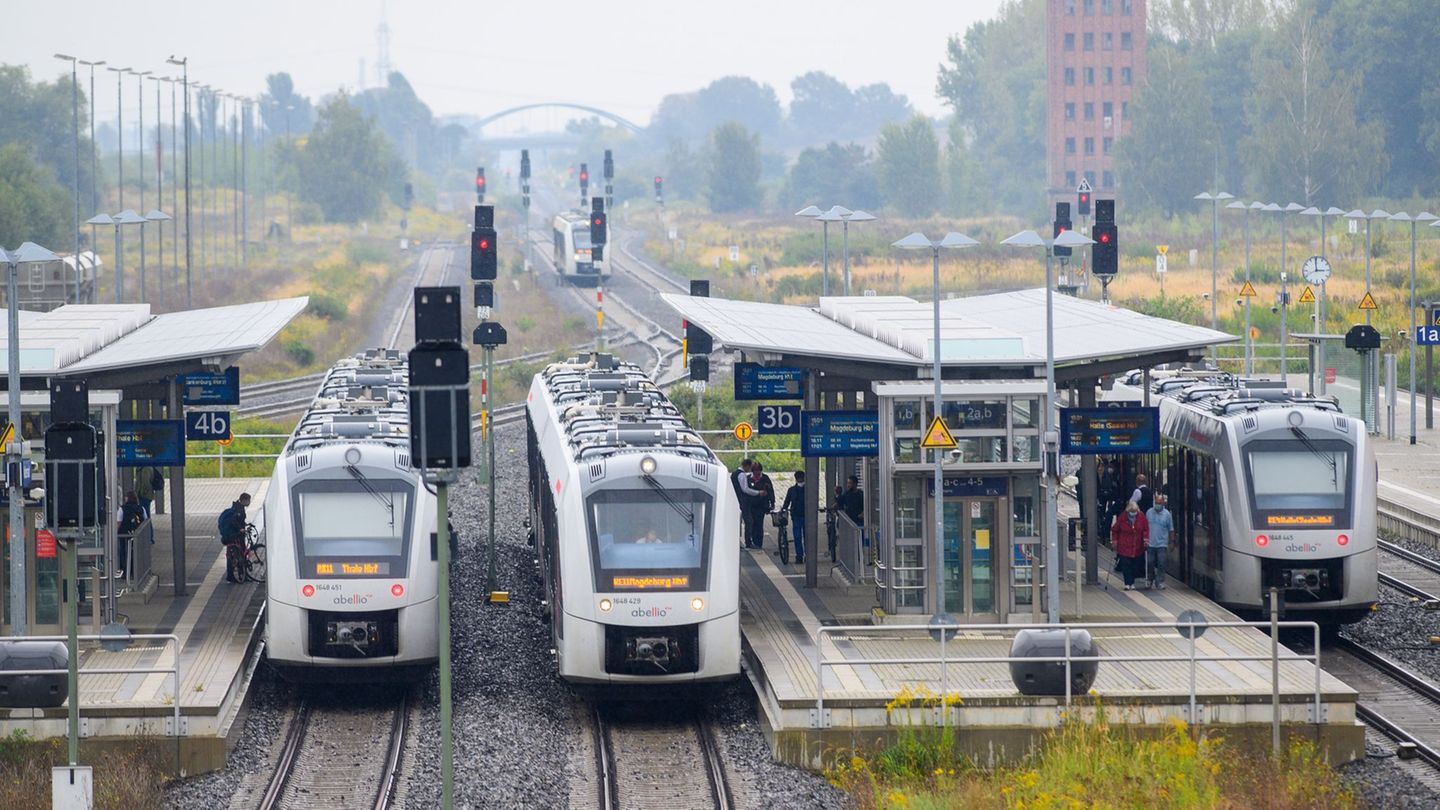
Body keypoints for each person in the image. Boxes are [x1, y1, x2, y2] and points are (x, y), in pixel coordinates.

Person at [1110, 500, 1149, 591]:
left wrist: (1146, 539)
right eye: (1131, 512)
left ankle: (1132, 582)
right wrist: (1115, 541)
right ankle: (1128, 583)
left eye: (1134, 512)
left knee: (1135, 565)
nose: (1133, 514)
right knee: (1126, 565)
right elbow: (1115, 529)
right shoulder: (1122, 517)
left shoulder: (1141, 517)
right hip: (1124, 545)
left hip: (1137, 546)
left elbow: (1146, 529)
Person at [219, 493, 252, 583]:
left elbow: (238, 520)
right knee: (237, 555)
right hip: (234, 535)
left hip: (233, 535)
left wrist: (244, 524)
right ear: (244, 500)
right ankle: (237, 575)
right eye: (248, 500)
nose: (249, 502)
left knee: (237, 554)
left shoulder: (237, 507)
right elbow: (234, 520)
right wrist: (240, 528)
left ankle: (239, 575)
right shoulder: (239, 510)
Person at [1145, 493, 1174, 590]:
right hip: (1150, 543)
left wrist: (1171, 542)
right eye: (1156, 503)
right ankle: (1150, 579)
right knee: (1150, 562)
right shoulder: (1149, 512)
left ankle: (1160, 581)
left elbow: (1171, 529)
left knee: (1162, 563)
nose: (1157, 505)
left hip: (1162, 543)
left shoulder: (1167, 515)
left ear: (1163, 504)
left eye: (1159, 503)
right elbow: (1144, 527)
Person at [743, 462, 775, 550]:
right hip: (751, 505)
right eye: (755, 471)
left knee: (759, 524)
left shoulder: (765, 478)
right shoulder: (748, 478)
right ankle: (753, 540)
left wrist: (772, 502)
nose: (756, 473)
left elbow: (770, 490)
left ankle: (758, 542)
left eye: (758, 471)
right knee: (752, 523)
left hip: (761, 505)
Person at [115, 491, 146, 579]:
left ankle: (126, 571)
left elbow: (118, 523)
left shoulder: (122, 509)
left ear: (127, 498)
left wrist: (115, 534)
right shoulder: (141, 508)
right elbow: (145, 521)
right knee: (136, 552)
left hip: (124, 535)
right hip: (137, 535)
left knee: (124, 553)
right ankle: (137, 571)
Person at [780, 470, 806, 564]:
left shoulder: (793, 490)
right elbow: (787, 502)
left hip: (801, 515)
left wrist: (784, 509)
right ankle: (800, 555)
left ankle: (802, 556)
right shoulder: (792, 490)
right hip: (797, 515)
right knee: (798, 536)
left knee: (801, 536)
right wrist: (784, 509)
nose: (800, 480)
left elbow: (787, 502)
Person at [732, 459, 754, 545]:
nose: (750, 470)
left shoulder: (734, 474)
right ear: (747, 466)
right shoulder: (742, 475)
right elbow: (745, 489)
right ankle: (748, 542)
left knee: (738, 522)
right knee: (749, 521)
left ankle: (736, 541)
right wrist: (757, 492)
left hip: (736, 500)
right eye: (750, 468)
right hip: (743, 502)